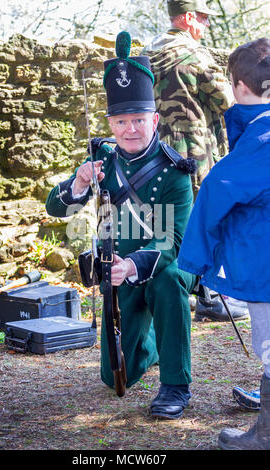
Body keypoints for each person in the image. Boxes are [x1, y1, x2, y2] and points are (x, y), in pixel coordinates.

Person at [46, 31, 197, 420]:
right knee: (113, 376)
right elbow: (54, 210)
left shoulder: (174, 172)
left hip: (162, 264)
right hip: (117, 270)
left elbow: (173, 241)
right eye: (121, 120)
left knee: (170, 281)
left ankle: (175, 384)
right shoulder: (102, 163)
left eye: (138, 120)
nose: (130, 129)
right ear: (111, 122)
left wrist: (132, 266)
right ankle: (144, 340)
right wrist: (79, 183)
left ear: (155, 119)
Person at [177, 38, 270, 450]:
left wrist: (194, 260)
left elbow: (215, 190)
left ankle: (265, 436)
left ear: (241, 87)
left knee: (269, 343)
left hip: (265, 264)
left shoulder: (260, 140)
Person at [144, 0, 249, 323]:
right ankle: (209, 295)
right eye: (203, 19)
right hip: (195, 154)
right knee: (204, 219)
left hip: (155, 156)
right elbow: (228, 101)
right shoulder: (195, 54)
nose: (205, 26)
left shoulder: (146, 54)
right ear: (188, 18)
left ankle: (164, 288)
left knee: (163, 220)